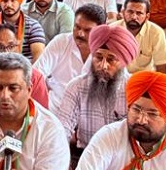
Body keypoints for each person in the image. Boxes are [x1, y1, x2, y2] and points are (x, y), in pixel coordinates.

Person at [55, 23, 138, 153]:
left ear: (123, 62)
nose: (103, 66)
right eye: (98, 57)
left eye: (111, 60)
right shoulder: (76, 87)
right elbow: (62, 130)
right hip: (85, 154)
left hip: (124, 158)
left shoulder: (136, 90)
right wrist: (60, 158)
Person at [34, 4, 106, 108]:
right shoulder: (61, 41)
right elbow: (37, 74)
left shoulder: (108, 50)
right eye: (77, 27)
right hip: (55, 106)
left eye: (87, 30)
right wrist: (43, 103)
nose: (80, 34)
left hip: (91, 110)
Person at [0, 25, 52, 107]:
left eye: (11, 46)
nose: (6, 52)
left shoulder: (35, 77)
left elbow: (41, 111)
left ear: (18, 48)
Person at [111, 0, 166, 74]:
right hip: (117, 76)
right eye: (130, 12)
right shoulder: (112, 30)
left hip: (143, 77)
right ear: (123, 13)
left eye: (139, 13)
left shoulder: (156, 33)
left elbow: (162, 66)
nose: (134, 17)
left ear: (147, 17)